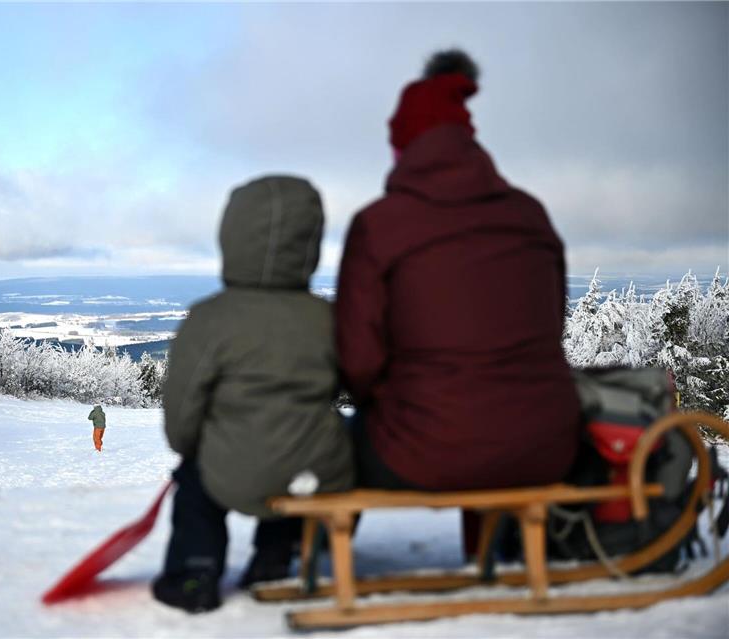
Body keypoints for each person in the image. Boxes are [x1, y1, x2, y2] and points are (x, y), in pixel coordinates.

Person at [335, 50, 580, 540]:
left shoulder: (379, 226)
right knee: (491, 429)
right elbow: (550, 327)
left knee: (333, 444)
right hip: (546, 446)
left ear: (404, 146)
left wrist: (393, 401)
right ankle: (500, 551)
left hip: (420, 449)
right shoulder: (530, 216)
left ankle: (311, 559)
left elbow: (358, 360)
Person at [152, 175, 354, 613]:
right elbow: (359, 385)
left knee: (194, 481)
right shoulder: (328, 317)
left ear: (231, 234)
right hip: (317, 473)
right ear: (310, 242)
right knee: (307, 452)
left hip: (231, 471)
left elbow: (183, 413)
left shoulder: (210, 319)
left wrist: (190, 449)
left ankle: (195, 573)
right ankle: (275, 558)